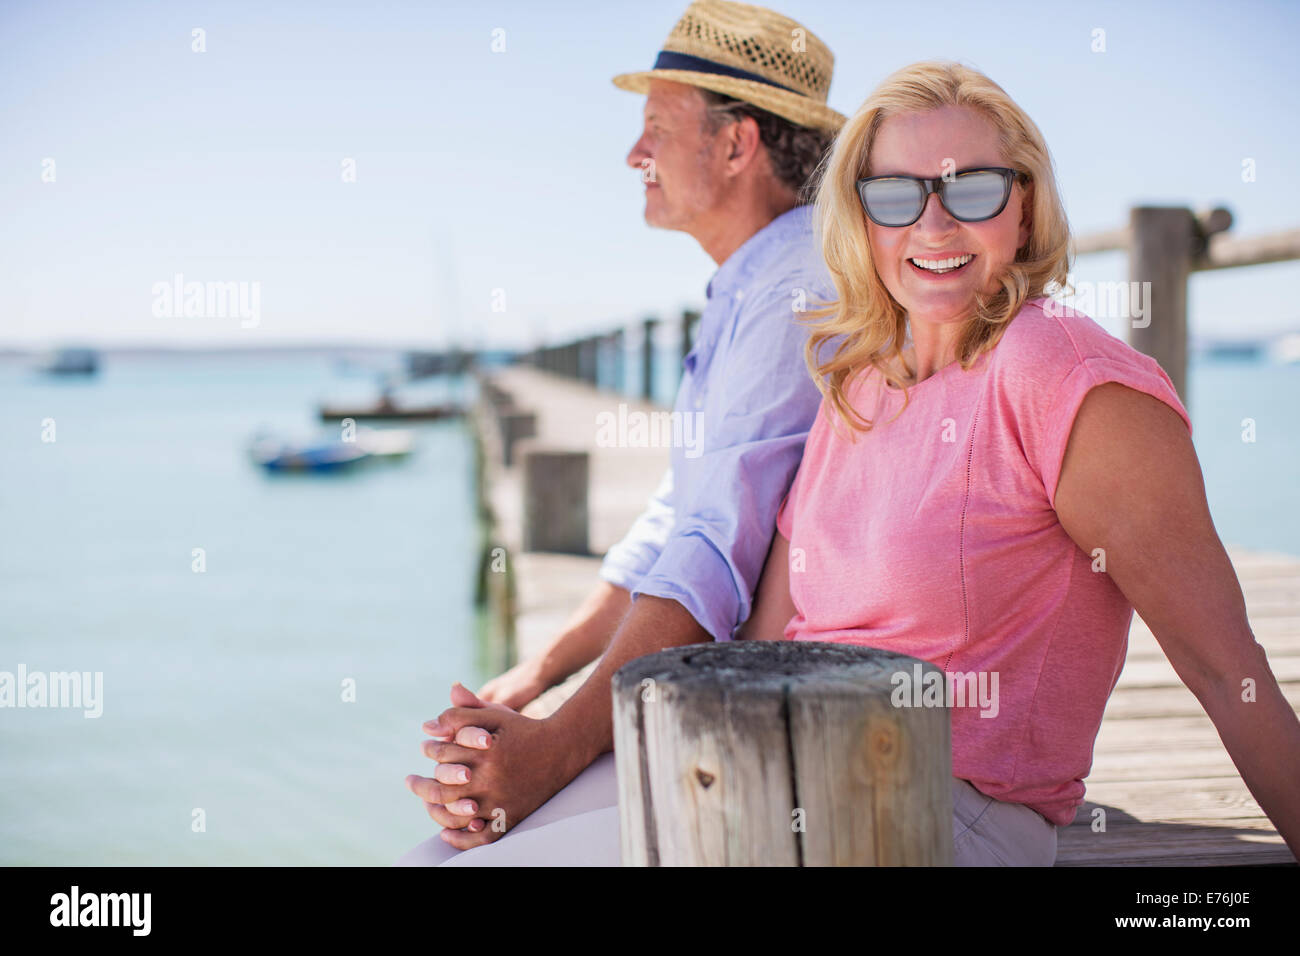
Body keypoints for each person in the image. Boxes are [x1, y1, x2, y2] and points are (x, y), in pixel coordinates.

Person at [736, 60, 1300, 864]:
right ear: (859, 218)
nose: (933, 226)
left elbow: (1226, 669)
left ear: (1025, 205)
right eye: (896, 195)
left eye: (972, 190)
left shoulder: (1063, 377)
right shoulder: (858, 377)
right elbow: (767, 638)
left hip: (942, 812)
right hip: (785, 770)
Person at [396, 0, 846, 865]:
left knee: (443, 860)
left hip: (795, 724)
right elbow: (677, 521)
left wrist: (554, 747)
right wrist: (538, 675)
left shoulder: (797, 286)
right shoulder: (752, 281)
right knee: (442, 852)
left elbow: (710, 553)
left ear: (737, 144)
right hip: (747, 696)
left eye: (655, 128)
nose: (634, 154)